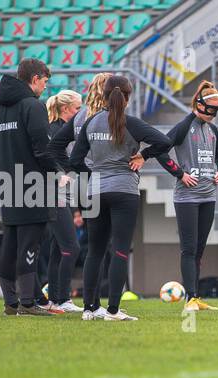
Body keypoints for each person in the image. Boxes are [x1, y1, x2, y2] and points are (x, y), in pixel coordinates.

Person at [68, 75, 181, 321]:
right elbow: (164, 141)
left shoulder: (91, 122)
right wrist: (143, 155)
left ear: (104, 95)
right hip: (124, 190)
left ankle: (88, 309)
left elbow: (74, 160)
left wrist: (96, 174)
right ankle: (113, 311)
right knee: (119, 249)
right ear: (127, 98)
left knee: (94, 252)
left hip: (96, 190)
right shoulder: (132, 123)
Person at [0, 57, 60, 316]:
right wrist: (58, 172)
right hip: (33, 183)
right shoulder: (33, 106)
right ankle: (28, 303)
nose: (45, 87)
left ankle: (10, 302)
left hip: (9, 182)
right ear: (35, 79)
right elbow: (42, 148)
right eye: (44, 81)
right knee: (30, 243)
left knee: (10, 242)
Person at [48, 72, 120, 317]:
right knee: (101, 246)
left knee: (93, 245)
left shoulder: (80, 115)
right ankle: (94, 304)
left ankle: (89, 304)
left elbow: (55, 145)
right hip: (102, 183)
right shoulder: (105, 117)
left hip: (85, 184)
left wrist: (73, 167)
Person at [159, 80, 218, 312]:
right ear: (199, 105)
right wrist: (180, 174)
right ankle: (190, 299)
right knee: (188, 249)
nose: (213, 116)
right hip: (187, 198)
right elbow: (160, 149)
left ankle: (195, 297)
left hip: (208, 197)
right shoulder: (183, 126)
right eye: (211, 110)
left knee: (199, 249)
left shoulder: (212, 129)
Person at [43, 88, 83, 313]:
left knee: (60, 249)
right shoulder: (55, 131)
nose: (81, 112)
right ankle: (62, 298)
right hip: (53, 195)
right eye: (78, 108)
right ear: (66, 109)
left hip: (64, 196)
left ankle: (55, 299)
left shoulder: (67, 130)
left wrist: (76, 209)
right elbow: (50, 158)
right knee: (71, 247)